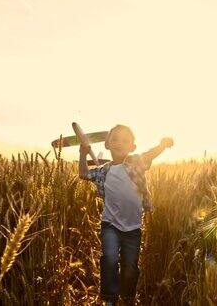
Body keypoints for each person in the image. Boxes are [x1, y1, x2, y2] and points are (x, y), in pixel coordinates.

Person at [78, 124, 173, 305]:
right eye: (114, 139)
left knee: (130, 267)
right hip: (110, 225)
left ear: (132, 147)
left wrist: (162, 145)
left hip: (133, 228)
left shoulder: (136, 163)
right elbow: (83, 173)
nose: (119, 143)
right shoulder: (103, 171)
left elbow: (150, 154)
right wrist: (83, 153)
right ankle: (109, 299)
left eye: (124, 140)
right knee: (109, 259)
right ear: (107, 144)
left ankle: (128, 297)